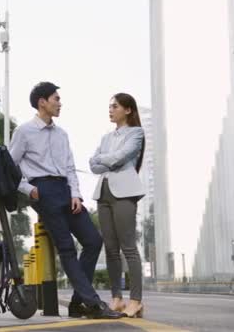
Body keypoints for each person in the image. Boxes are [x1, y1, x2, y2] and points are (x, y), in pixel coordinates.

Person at [9, 81, 122, 319]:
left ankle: (77, 303)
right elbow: (10, 168)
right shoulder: (24, 132)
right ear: (42, 102)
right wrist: (29, 190)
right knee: (67, 249)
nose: (60, 103)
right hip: (43, 191)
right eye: (56, 99)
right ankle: (92, 304)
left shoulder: (62, 134)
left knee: (93, 240)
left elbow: (70, 167)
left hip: (65, 190)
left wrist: (75, 194)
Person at [89, 93, 145, 318]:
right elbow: (93, 165)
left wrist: (104, 159)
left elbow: (118, 158)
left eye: (115, 106)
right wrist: (106, 159)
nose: (110, 110)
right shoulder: (106, 137)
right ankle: (116, 298)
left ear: (128, 110)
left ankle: (136, 300)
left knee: (128, 248)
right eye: (110, 106)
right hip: (103, 193)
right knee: (111, 249)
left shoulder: (137, 133)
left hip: (125, 192)